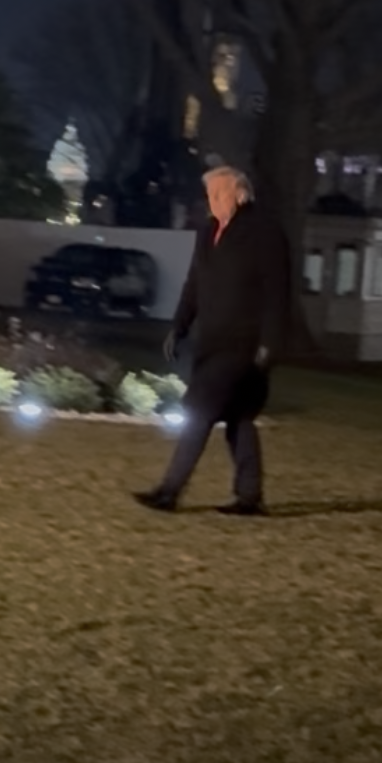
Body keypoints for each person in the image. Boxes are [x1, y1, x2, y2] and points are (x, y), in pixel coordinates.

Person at [134, 166, 290, 516]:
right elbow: (194, 284)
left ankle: (169, 491)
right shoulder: (208, 232)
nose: (213, 201)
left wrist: (269, 343)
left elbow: (277, 293)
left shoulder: (264, 232)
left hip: (244, 345)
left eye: (219, 194)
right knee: (239, 417)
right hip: (212, 342)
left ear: (240, 194)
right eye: (210, 195)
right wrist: (179, 326)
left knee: (199, 411)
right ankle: (249, 497)